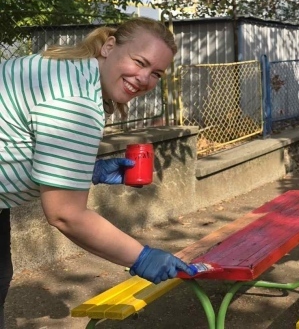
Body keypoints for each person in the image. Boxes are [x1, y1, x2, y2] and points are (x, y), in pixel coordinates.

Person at [0, 17, 196, 328]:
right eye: (139, 61)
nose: (144, 78)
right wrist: (141, 257)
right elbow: (66, 214)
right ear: (108, 47)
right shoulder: (76, 100)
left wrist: (83, 171)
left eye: (156, 73)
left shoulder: (68, 68)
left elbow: (15, 138)